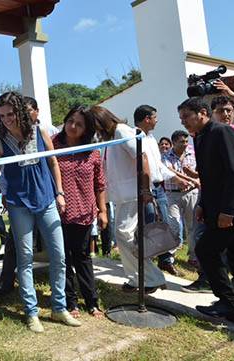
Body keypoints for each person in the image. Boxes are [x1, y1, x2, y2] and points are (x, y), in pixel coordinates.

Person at [0, 91, 81, 333]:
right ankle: (31, 312)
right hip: (18, 205)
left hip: (46, 200)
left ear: (20, 111)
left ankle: (59, 308)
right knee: (24, 259)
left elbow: (53, 162)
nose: (6, 119)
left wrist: (59, 192)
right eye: (1, 115)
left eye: (10, 114)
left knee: (59, 255)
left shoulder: (40, 131)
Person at [178, 97, 234, 324]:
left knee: (206, 250)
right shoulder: (200, 137)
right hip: (217, 208)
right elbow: (207, 176)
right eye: (181, 118)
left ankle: (229, 301)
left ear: (202, 112)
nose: (183, 122)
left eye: (186, 117)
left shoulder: (222, 132)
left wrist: (229, 211)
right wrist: (203, 205)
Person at [89, 105, 167, 294]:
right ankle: (137, 277)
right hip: (123, 195)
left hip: (133, 193)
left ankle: (151, 278)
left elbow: (143, 157)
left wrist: (145, 189)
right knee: (125, 237)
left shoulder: (122, 131)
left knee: (124, 234)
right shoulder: (111, 137)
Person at [52, 106, 107, 318]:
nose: (73, 127)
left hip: (84, 212)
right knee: (62, 258)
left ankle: (92, 301)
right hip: (58, 212)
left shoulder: (92, 151)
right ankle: (70, 302)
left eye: (79, 124)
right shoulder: (53, 145)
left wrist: (102, 211)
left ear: (87, 129)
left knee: (83, 256)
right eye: (70, 121)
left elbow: (99, 184)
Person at [133, 105, 189, 276]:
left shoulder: (150, 139)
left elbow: (158, 166)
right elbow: (142, 167)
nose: (157, 120)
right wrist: (145, 190)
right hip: (144, 189)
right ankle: (145, 265)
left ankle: (165, 261)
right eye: (155, 117)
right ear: (147, 119)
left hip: (158, 188)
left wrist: (176, 179)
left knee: (165, 224)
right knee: (149, 225)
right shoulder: (134, 138)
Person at [161, 130, 199, 264]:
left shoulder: (193, 153)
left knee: (192, 226)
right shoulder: (166, 156)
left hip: (191, 193)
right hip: (173, 195)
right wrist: (185, 179)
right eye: (182, 141)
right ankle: (169, 256)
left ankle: (193, 257)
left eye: (186, 141)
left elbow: (198, 172)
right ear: (174, 142)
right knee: (174, 224)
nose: (185, 144)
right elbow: (169, 171)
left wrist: (192, 175)